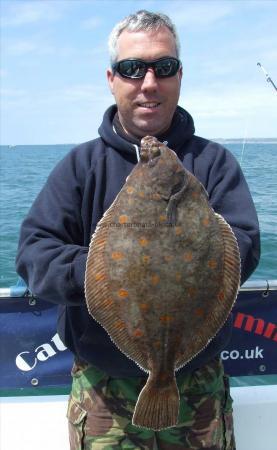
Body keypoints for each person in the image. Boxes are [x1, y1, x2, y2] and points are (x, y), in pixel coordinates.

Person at [16, 10, 260, 450]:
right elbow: (34, 254)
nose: (149, 82)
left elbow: (245, 245)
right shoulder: (80, 167)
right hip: (102, 394)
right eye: (133, 68)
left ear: (179, 75)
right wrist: (102, 272)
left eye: (163, 67)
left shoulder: (215, 163)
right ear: (112, 78)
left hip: (198, 389)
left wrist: (195, 248)